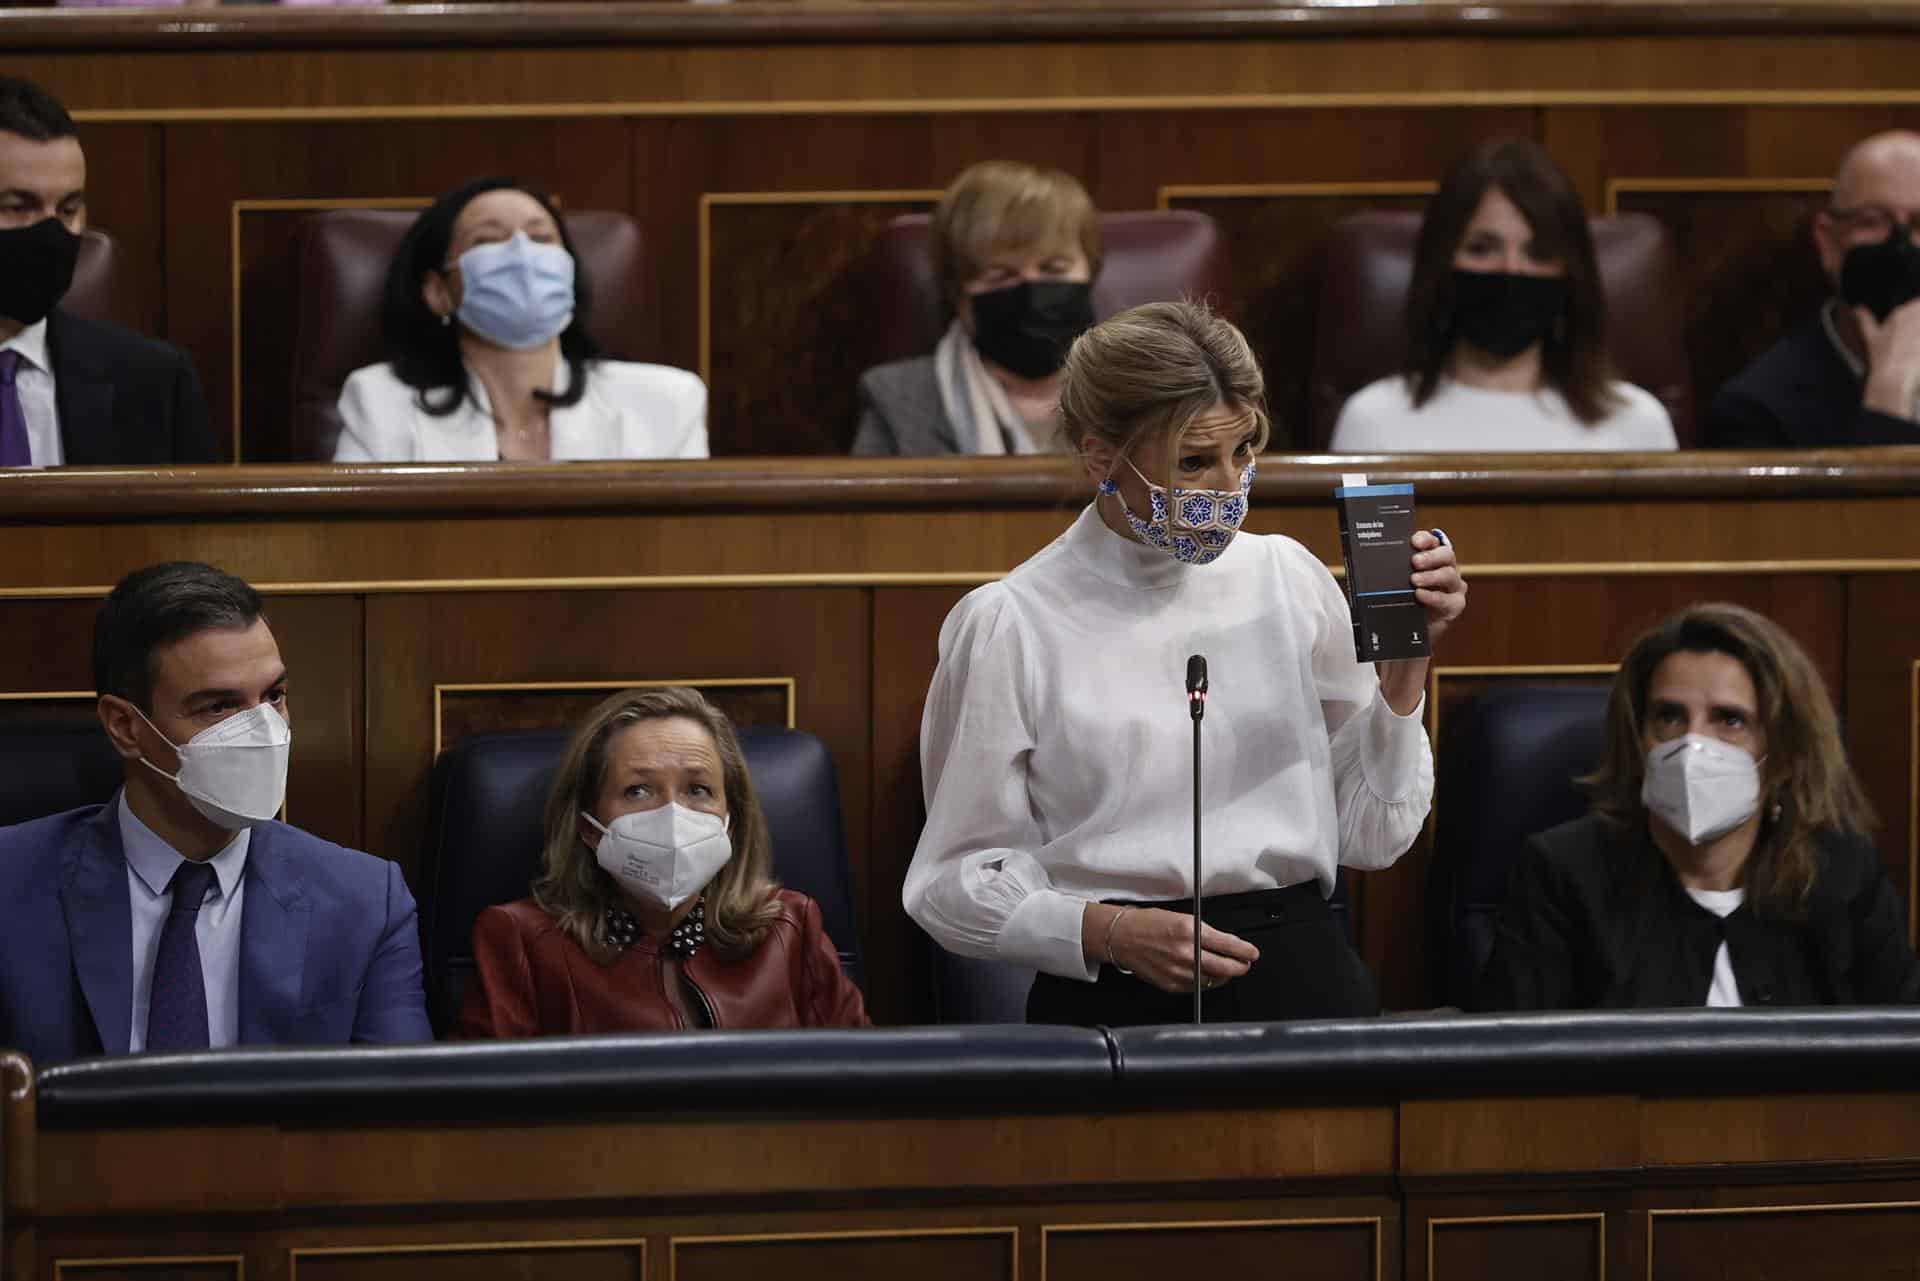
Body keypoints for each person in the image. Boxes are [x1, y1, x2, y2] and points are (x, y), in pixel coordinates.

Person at [903, 300, 1467, 1027]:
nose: (1228, 490)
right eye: (1194, 462)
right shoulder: (1011, 621)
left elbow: (1373, 833)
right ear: (1102, 455)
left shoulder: (1289, 578)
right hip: (1118, 989)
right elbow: (950, 884)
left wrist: (1403, 672)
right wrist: (1104, 930)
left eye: (1243, 453)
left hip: (1300, 971)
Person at [0, 562, 430, 1065]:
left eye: (273, 697)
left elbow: (400, 1124)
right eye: (220, 707)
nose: (262, 730)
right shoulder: (10, 885)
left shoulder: (365, 904)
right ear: (124, 726)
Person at [1477, 603, 1920, 1011]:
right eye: (1669, 717)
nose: (1693, 743)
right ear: (1638, 737)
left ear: (1784, 755)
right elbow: (1515, 1076)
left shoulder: (1843, 879)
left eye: (1729, 720)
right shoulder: (1563, 875)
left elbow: (1897, 1057)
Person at [458, 686, 869, 1035]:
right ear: (587, 825)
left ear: (730, 821)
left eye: (698, 790)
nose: (673, 814)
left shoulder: (792, 930)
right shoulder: (519, 943)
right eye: (638, 791)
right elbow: (479, 1116)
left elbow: (865, 1091)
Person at [1330, 139, 1676, 453]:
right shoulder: (1373, 421)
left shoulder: (1637, 423)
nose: (1512, 269)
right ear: (1441, 260)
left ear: (1571, 273)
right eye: (1482, 248)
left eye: (1538, 253)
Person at [334, 177, 706, 462]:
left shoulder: (667, 404)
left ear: (568, 272)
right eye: (487, 240)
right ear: (438, 292)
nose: (522, 254)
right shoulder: (379, 404)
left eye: (541, 237)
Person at [0, 78, 215, 467]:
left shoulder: (156, 384)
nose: (51, 233)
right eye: (18, 206)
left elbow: (198, 530)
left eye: (67, 210)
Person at [852, 160, 1101, 457]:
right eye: (1001, 275)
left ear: (1091, 272)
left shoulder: (1143, 392)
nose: (1032, 293)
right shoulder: (896, 401)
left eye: (1053, 269)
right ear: (958, 292)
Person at [1706, 132, 1920, 448]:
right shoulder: (1755, 412)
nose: (1903, 246)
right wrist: (1887, 398)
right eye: (1872, 221)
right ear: (1827, 241)